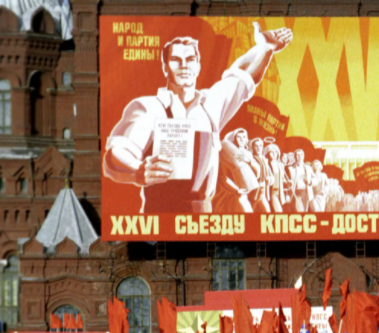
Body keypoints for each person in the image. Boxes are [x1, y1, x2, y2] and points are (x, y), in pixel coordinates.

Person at [103, 22, 293, 213]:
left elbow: (244, 75)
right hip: (162, 215)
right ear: (165, 67)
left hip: (203, 216)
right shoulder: (148, 107)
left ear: (198, 66)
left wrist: (266, 48)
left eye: (190, 59)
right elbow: (117, 153)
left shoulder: (211, 103)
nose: (184, 65)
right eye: (176, 60)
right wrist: (138, 169)